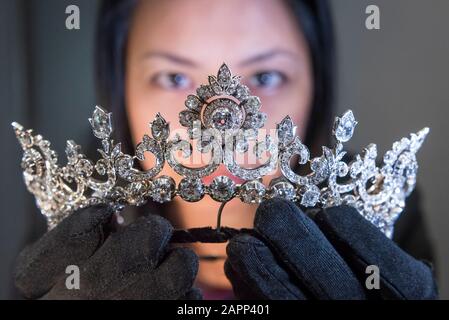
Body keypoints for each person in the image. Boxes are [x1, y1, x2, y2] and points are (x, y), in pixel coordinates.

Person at [14, 0, 437, 299]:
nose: (222, 129)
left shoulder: (390, 248)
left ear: (317, 87)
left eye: (267, 76)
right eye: (173, 77)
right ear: (120, 87)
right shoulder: (65, 256)